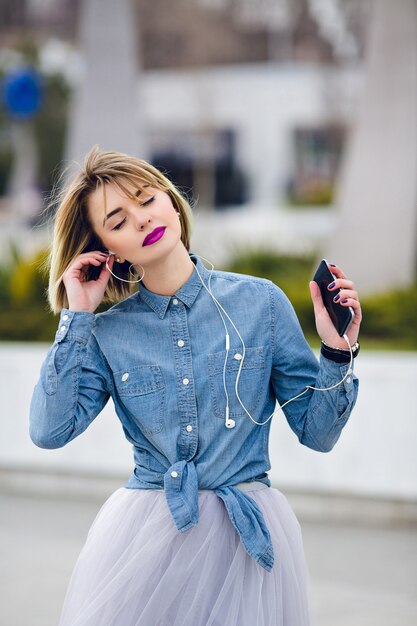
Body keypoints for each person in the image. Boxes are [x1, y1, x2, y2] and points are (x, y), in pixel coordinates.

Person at [29, 146, 361, 626]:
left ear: (169, 198)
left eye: (146, 199)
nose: (142, 220)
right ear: (105, 250)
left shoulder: (260, 303)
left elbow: (318, 433)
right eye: (118, 221)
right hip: (144, 542)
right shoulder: (107, 333)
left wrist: (336, 352)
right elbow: (48, 430)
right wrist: (77, 315)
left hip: (246, 542)